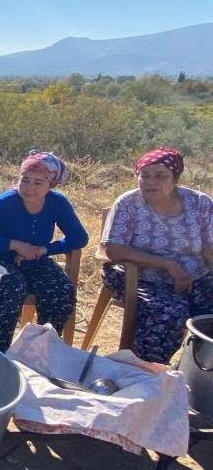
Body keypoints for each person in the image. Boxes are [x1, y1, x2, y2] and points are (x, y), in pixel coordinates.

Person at [100, 147, 213, 364]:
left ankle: (196, 373)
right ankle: (144, 374)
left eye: (160, 176)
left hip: (194, 277)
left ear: (175, 179)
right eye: (145, 176)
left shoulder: (199, 203)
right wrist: (166, 264)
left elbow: (209, 248)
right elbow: (114, 249)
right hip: (142, 279)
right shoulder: (128, 203)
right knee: (168, 314)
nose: (151, 182)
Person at [0, 150, 89, 352]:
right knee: (10, 286)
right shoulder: (7, 201)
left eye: (38, 183)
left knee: (61, 290)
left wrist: (44, 249)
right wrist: (15, 245)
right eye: (25, 180)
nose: (29, 188)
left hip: (35, 260)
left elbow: (79, 237)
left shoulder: (57, 202)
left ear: (50, 185)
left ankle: (40, 350)